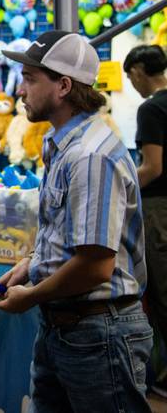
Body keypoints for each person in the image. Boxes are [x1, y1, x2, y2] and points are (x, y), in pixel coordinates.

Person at [0, 31, 151, 412]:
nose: (21, 90)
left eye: (30, 79)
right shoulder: (65, 146)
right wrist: (32, 265)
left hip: (98, 335)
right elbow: (69, 233)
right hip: (68, 328)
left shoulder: (89, 156)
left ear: (63, 86)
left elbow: (95, 266)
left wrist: (31, 296)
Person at [124, 44, 167, 396]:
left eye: (130, 76)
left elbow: (153, 168)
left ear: (139, 71)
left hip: (158, 212)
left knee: (161, 293)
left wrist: (118, 188)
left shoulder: (151, 108)